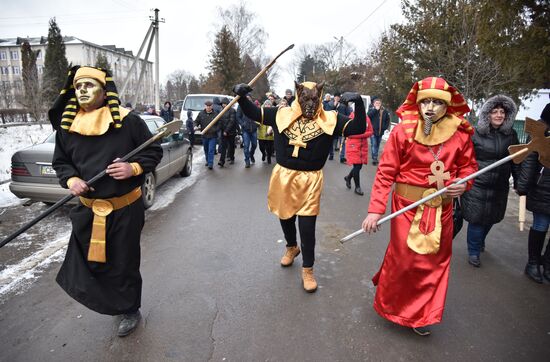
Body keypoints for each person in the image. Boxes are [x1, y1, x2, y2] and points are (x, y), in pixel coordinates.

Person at [49, 66, 162, 337]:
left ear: (105, 90)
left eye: (89, 85)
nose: (83, 91)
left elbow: (154, 151)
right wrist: (71, 180)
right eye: (78, 87)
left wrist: (132, 168)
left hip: (125, 208)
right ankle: (107, 300)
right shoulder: (68, 127)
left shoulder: (129, 121)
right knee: (89, 262)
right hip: (88, 210)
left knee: (123, 261)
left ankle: (128, 308)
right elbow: (61, 163)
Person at [362, 77, 478, 336]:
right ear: (418, 102)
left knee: (434, 262)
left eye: (438, 102)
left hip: (442, 209)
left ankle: (421, 315)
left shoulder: (460, 133)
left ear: (447, 106)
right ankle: (393, 305)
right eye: (426, 101)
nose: (431, 107)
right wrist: (375, 209)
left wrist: (463, 183)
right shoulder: (403, 132)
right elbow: (385, 172)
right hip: (406, 206)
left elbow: (468, 168)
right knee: (404, 260)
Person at [233, 80, 366, 292]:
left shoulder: (329, 119)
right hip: (284, 177)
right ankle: (291, 247)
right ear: (297, 95)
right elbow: (253, 113)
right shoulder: (281, 114)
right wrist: (240, 96)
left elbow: (359, 127)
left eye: (314, 99)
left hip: (310, 180)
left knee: (307, 225)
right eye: (305, 98)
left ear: (320, 97)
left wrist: (358, 103)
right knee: (285, 217)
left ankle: (308, 269)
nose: (310, 104)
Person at [461, 95, 520, 267]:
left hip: (499, 186)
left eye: (502, 112)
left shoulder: (511, 135)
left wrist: (519, 181)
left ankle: (479, 241)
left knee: (491, 218)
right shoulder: (475, 133)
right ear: (487, 114)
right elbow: (465, 158)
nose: (499, 115)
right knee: (477, 219)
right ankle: (473, 251)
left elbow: (516, 160)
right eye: (495, 111)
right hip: (477, 184)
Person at [516, 103, 550, 284]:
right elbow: (529, 159)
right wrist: (522, 186)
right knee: (541, 224)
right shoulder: (540, 132)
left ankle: (548, 262)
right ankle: (533, 263)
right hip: (543, 187)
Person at [344, 109, 373, 195]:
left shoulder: (367, 118)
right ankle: (357, 187)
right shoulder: (351, 117)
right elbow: (348, 133)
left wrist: (359, 134)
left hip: (363, 146)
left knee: (359, 166)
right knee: (357, 166)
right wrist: (363, 134)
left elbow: (371, 132)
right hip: (353, 146)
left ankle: (348, 177)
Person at [195, 100, 219, 169]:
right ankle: (207, 161)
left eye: (209, 106)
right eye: (207, 106)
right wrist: (195, 125)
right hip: (204, 135)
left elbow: (219, 124)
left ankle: (210, 163)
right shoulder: (201, 114)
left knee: (211, 150)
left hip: (213, 136)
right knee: (206, 149)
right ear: (205, 106)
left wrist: (215, 129)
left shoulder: (215, 114)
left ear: (212, 106)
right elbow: (196, 121)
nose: (208, 107)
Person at [367, 97, 391, 165]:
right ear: (374, 104)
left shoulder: (384, 111)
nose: (378, 104)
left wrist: (385, 127)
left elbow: (387, 120)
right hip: (373, 131)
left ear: (381, 104)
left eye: (379, 103)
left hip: (380, 131)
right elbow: (368, 116)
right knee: (374, 145)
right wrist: (375, 110)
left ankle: (375, 156)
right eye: (376, 103)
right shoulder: (371, 110)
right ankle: (374, 158)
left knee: (377, 145)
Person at [236, 94, 258, 168]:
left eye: (249, 98)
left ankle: (251, 155)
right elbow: (238, 117)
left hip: (254, 129)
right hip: (245, 130)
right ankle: (247, 160)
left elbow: (258, 115)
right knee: (246, 146)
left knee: (254, 145)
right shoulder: (240, 106)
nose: (248, 99)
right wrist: (243, 124)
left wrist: (257, 123)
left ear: (251, 99)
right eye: (246, 98)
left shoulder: (254, 106)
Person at [218, 97, 237, 166]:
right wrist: (220, 129)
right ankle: (221, 161)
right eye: (222, 104)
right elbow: (219, 121)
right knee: (223, 146)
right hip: (223, 132)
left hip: (231, 132)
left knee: (231, 146)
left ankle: (232, 158)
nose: (224, 105)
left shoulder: (232, 111)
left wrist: (226, 131)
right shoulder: (221, 111)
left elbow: (232, 121)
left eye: (225, 104)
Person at [257, 99, 275, 164]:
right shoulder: (261, 111)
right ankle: (264, 154)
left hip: (270, 134)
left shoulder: (273, 112)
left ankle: (269, 157)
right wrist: (257, 123)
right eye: (266, 104)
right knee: (261, 147)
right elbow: (256, 118)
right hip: (261, 133)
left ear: (270, 105)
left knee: (269, 148)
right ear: (264, 105)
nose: (267, 105)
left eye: (269, 104)